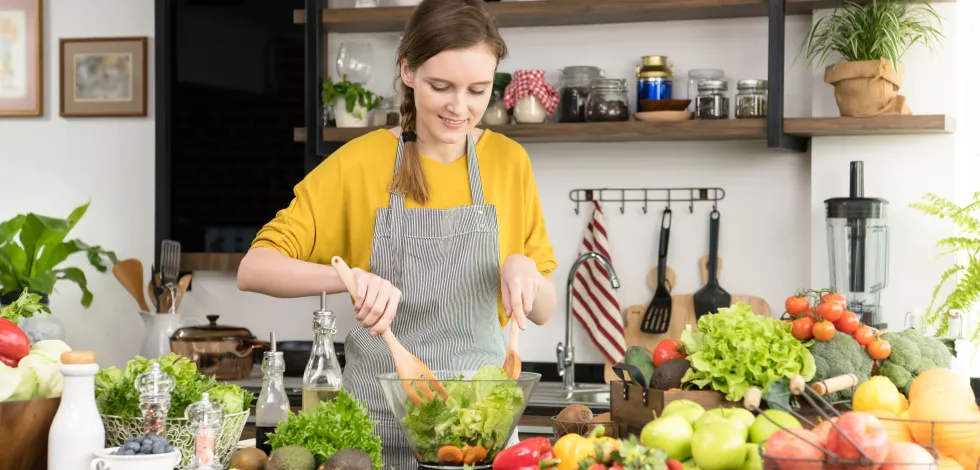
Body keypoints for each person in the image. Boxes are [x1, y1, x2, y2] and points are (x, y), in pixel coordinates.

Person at [236, 0, 558, 466]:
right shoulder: (359, 162)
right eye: (441, 86)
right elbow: (254, 268)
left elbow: (543, 309)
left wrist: (524, 268)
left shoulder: (509, 162)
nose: (459, 107)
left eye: (477, 90)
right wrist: (348, 279)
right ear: (407, 71)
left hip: (481, 436)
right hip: (374, 437)